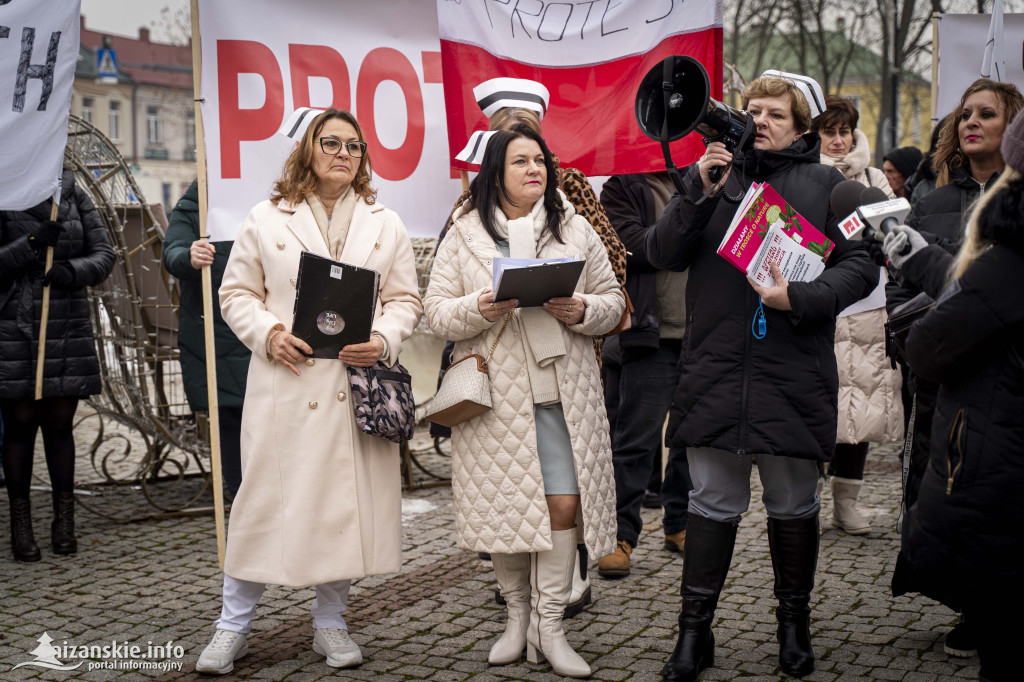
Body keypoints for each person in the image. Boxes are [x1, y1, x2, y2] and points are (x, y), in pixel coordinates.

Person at [646, 74, 876, 681]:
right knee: (710, 505)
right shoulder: (715, 179)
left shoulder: (831, 187)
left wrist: (798, 297)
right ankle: (693, 636)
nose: (760, 120)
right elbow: (661, 251)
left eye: (776, 114)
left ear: (804, 128)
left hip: (792, 375)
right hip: (716, 373)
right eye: (753, 110)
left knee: (793, 505)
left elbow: (864, 268)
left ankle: (793, 627)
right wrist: (695, 188)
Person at [194, 109, 422, 675]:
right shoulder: (267, 217)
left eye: (355, 145)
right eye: (331, 142)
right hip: (286, 386)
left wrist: (384, 339)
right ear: (307, 150)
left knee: (341, 511)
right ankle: (232, 626)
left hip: (352, 386)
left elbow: (405, 301)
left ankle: (330, 622)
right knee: (262, 506)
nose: (344, 153)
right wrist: (268, 334)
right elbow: (236, 293)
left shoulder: (384, 221)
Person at [424, 125, 623, 678]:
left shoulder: (575, 228)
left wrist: (581, 308)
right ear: (496, 172)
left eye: (540, 160)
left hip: (563, 391)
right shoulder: (464, 232)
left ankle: (551, 625)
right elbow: (435, 311)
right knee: (508, 509)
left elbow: (614, 302)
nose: (534, 169)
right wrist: (482, 307)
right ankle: (516, 619)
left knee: (563, 504)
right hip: (495, 396)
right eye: (520, 161)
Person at [884, 80, 1022, 658]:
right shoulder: (934, 196)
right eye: (964, 114)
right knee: (934, 485)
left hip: (989, 384)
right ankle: (961, 597)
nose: (970, 123)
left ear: (1011, 129)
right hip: (936, 378)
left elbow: (978, 291)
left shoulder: (1011, 210)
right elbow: (909, 282)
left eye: (986, 114)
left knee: (977, 494)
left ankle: (984, 611)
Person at [0, 170, 116, 561]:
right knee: (19, 424)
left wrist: (71, 271)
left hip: (65, 321)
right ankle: (21, 527)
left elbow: (104, 254)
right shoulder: (4, 189)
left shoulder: (70, 194)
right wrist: (30, 244)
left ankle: (63, 523)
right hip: (13, 325)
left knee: (59, 423)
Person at [811, 97, 903, 536]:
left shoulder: (873, 180)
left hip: (866, 308)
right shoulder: (806, 176)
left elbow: (894, 238)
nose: (837, 139)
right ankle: (806, 497)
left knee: (861, 406)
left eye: (844, 130)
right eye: (829, 130)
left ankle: (846, 503)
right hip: (817, 302)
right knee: (815, 404)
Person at [596, 171, 694, 578]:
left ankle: (681, 524)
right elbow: (632, 247)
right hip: (650, 334)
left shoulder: (709, 176)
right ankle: (620, 535)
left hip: (703, 333)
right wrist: (689, 208)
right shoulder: (623, 187)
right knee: (635, 441)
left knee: (692, 440)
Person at [162, 180, 250, 499]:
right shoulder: (193, 206)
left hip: (266, 322)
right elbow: (172, 251)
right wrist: (189, 254)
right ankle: (238, 491)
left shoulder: (268, 196)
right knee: (230, 412)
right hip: (216, 326)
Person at [812, 96, 893, 196]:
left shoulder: (874, 178)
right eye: (829, 133)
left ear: (853, 135)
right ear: (814, 135)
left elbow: (892, 211)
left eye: (843, 132)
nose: (838, 141)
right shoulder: (802, 177)